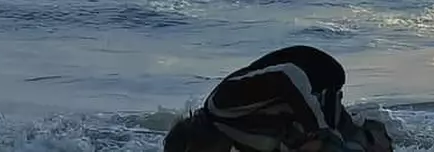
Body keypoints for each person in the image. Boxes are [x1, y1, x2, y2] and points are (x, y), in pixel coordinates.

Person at [163, 46, 393, 152]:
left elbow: (288, 74)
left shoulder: (223, 102)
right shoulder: (237, 135)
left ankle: (365, 132)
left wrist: (317, 130)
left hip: (317, 69)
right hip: (308, 100)